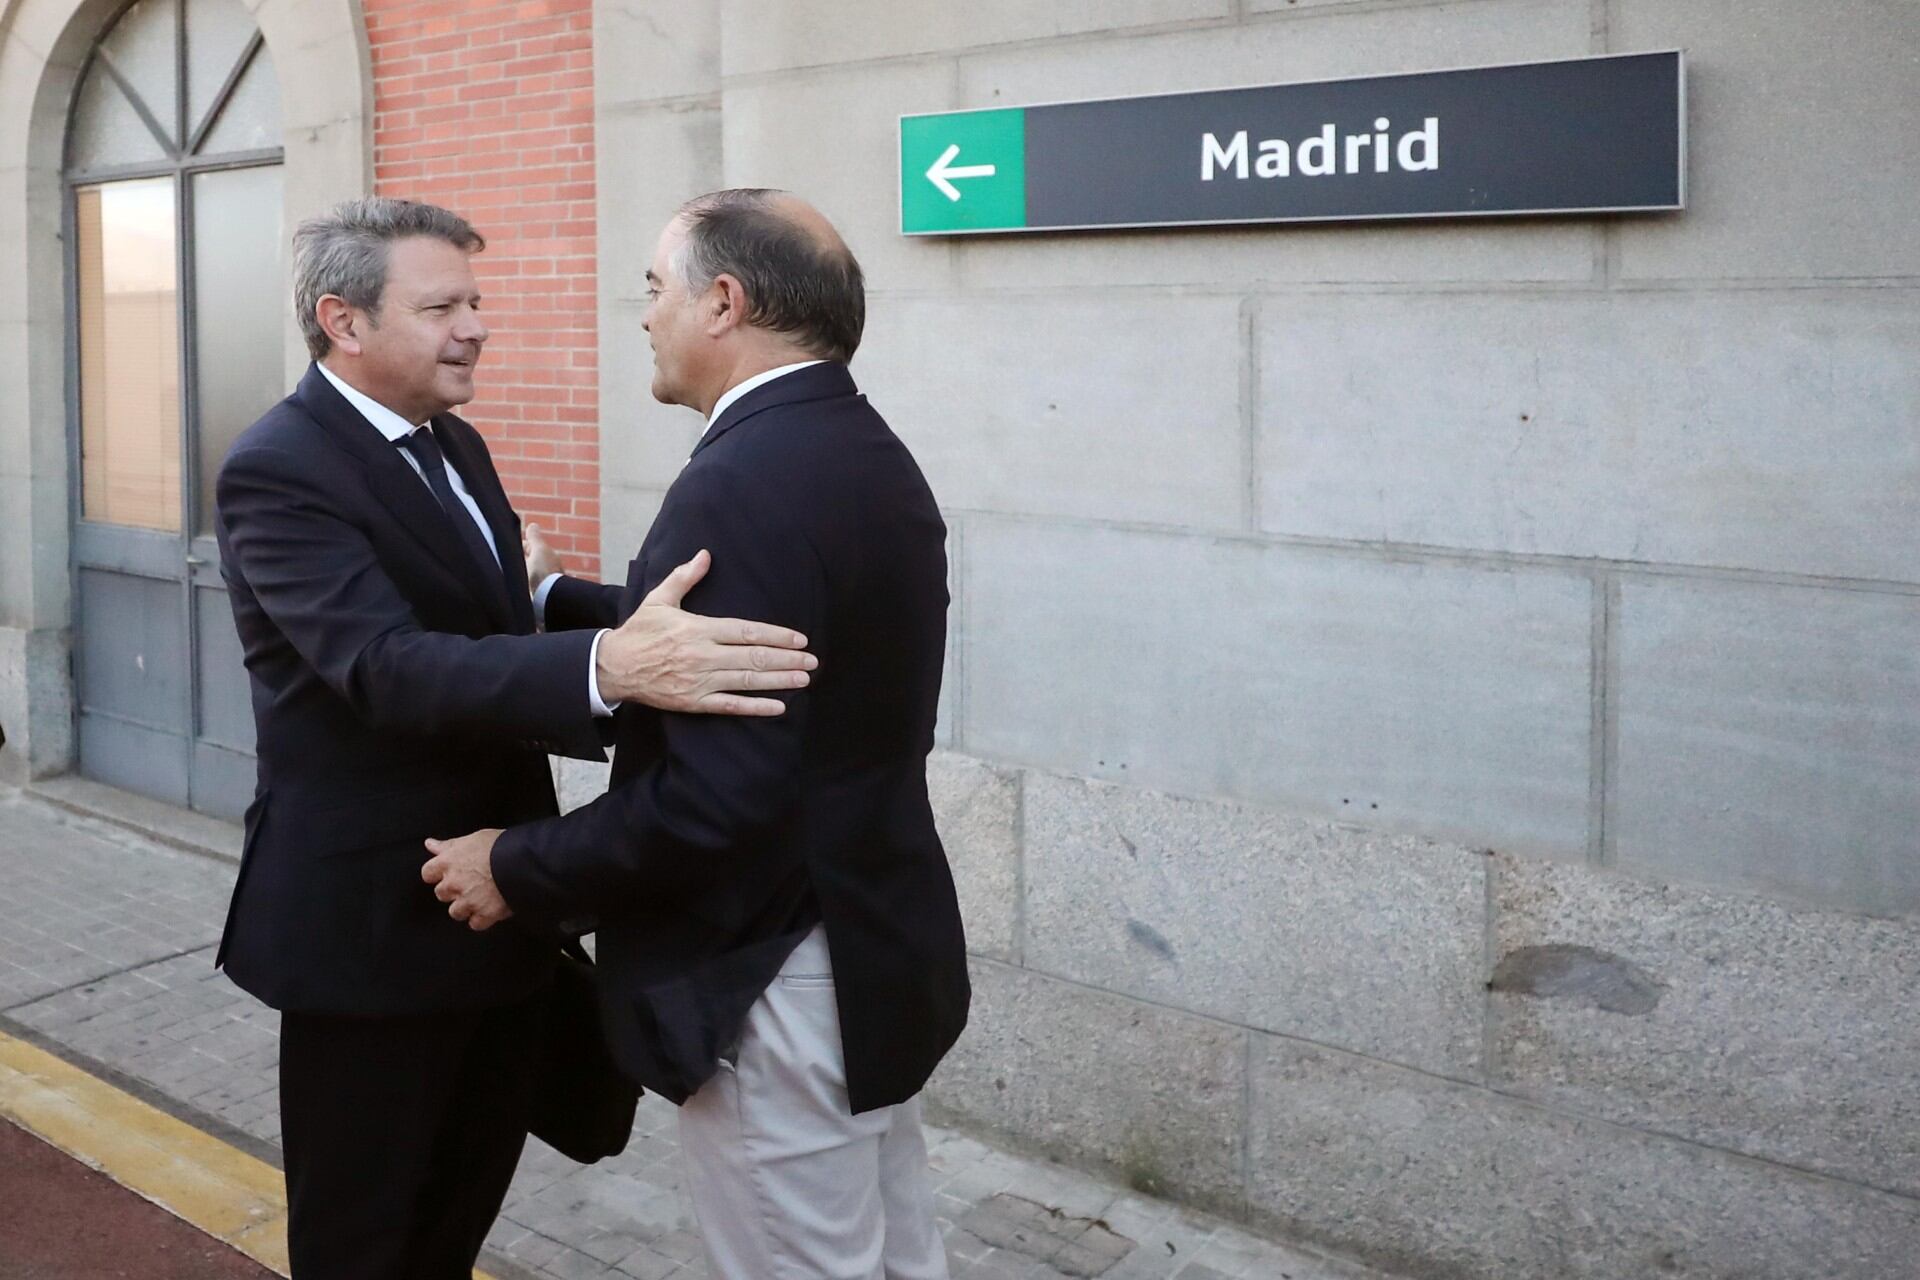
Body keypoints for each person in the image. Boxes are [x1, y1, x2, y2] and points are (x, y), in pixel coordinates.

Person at [213, 196, 817, 1280]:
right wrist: (609, 668)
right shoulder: (279, 468)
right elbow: (383, 665)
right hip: (371, 934)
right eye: (443, 305)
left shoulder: (455, 442)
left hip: (498, 911)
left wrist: (603, 621)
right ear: (343, 322)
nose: (478, 326)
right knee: (366, 1241)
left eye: (476, 300)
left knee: (453, 1223)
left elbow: (494, 619)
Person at [423, 189, 969, 1279]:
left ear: (724, 301)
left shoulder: (741, 479)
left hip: (769, 970)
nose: (642, 316)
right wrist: (555, 598)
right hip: (860, 941)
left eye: (653, 288)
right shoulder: (845, 444)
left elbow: (718, 798)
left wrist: (517, 866)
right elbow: (740, 640)